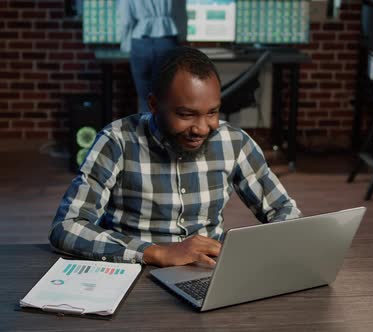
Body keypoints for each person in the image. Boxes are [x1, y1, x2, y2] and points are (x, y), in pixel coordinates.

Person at [50, 46, 301, 267]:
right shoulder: (117, 141)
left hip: (208, 271)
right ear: (154, 105)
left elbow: (285, 212)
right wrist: (157, 253)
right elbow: (67, 227)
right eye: (186, 115)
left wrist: (249, 253)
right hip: (134, 270)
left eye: (212, 112)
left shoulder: (235, 142)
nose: (202, 128)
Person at [119, 0, 187, 113]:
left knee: (145, 100)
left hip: (140, 42)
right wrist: (183, 37)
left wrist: (126, 45)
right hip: (168, 40)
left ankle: (146, 129)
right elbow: (180, 13)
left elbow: (126, 20)